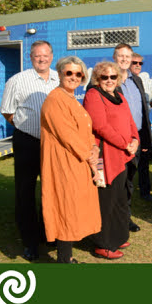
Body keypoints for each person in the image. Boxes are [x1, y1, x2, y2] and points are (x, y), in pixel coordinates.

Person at [0, 40, 60, 261]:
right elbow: (7, 112)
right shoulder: (17, 80)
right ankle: (30, 241)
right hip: (27, 142)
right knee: (25, 192)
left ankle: (49, 233)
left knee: (51, 190)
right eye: (37, 56)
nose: (41, 59)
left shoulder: (59, 79)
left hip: (53, 144)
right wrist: (26, 127)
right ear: (31, 57)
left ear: (51, 56)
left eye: (45, 55)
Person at [40, 56, 101, 263]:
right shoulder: (55, 99)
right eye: (69, 73)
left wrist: (93, 147)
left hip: (78, 160)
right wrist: (90, 157)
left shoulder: (71, 99)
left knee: (74, 207)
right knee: (65, 207)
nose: (74, 77)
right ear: (59, 74)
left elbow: (85, 130)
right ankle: (64, 260)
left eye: (78, 74)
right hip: (64, 162)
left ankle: (67, 256)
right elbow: (68, 136)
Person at [84, 61, 140, 259]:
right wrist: (125, 143)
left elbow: (131, 122)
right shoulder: (93, 95)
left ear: (118, 78)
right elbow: (100, 126)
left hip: (123, 156)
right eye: (104, 77)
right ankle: (103, 243)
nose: (109, 80)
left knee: (119, 199)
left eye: (112, 77)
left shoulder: (120, 96)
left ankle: (118, 236)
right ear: (97, 79)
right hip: (104, 156)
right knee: (105, 201)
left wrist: (135, 140)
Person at [112, 43, 152, 230]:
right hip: (115, 142)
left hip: (135, 141)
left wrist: (142, 138)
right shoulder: (107, 79)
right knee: (115, 183)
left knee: (129, 182)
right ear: (114, 57)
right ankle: (113, 219)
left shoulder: (137, 80)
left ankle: (125, 218)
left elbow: (143, 111)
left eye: (128, 57)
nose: (125, 60)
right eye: (122, 56)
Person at [129, 52, 152, 201]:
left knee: (144, 162)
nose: (138, 66)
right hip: (127, 129)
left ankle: (145, 192)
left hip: (143, 128)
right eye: (135, 63)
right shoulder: (122, 80)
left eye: (140, 63)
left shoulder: (146, 79)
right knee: (129, 162)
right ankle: (126, 192)